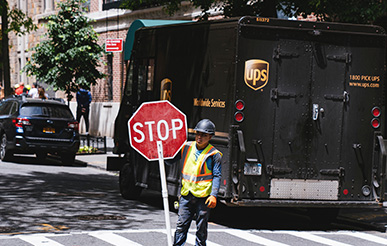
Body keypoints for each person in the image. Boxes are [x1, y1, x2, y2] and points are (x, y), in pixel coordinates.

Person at [173, 119, 222, 246]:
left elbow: (217, 175)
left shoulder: (214, 154)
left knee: (201, 228)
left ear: (210, 137)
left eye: (204, 135)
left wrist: (213, 195)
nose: (199, 137)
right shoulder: (186, 147)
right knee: (181, 226)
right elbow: (170, 159)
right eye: (198, 134)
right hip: (186, 194)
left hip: (203, 197)